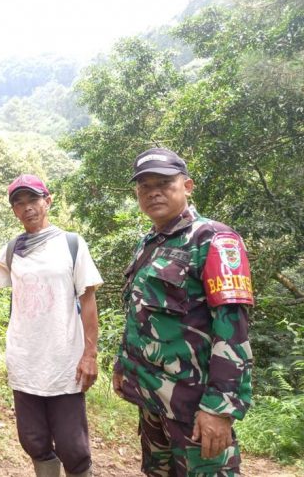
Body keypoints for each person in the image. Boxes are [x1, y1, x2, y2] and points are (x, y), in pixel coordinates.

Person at [113, 148, 254, 476]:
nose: (153, 192)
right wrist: (123, 364)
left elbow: (233, 329)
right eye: (144, 186)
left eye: (164, 182)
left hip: (193, 405)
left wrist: (219, 408)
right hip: (152, 398)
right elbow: (138, 312)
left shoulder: (215, 239)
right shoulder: (151, 242)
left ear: (187, 186)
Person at [0, 174, 103, 477]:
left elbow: (88, 302)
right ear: (14, 211)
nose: (27, 208)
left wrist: (90, 354)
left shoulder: (71, 244)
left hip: (64, 361)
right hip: (25, 361)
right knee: (33, 438)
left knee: (72, 444)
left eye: (33, 200)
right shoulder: (14, 249)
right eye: (19, 203)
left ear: (47, 201)